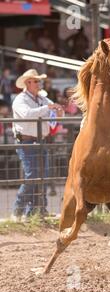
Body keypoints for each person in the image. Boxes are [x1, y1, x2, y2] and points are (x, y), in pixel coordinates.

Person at [11, 69, 64, 222]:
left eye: (39, 81)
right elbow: (27, 114)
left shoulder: (42, 99)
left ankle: (36, 211)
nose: (39, 83)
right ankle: (18, 210)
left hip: (40, 141)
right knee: (32, 176)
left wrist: (58, 111)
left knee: (42, 176)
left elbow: (53, 113)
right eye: (36, 81)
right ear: (28, 83)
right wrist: (49, 108)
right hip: (26, 141)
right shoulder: (20, 100)